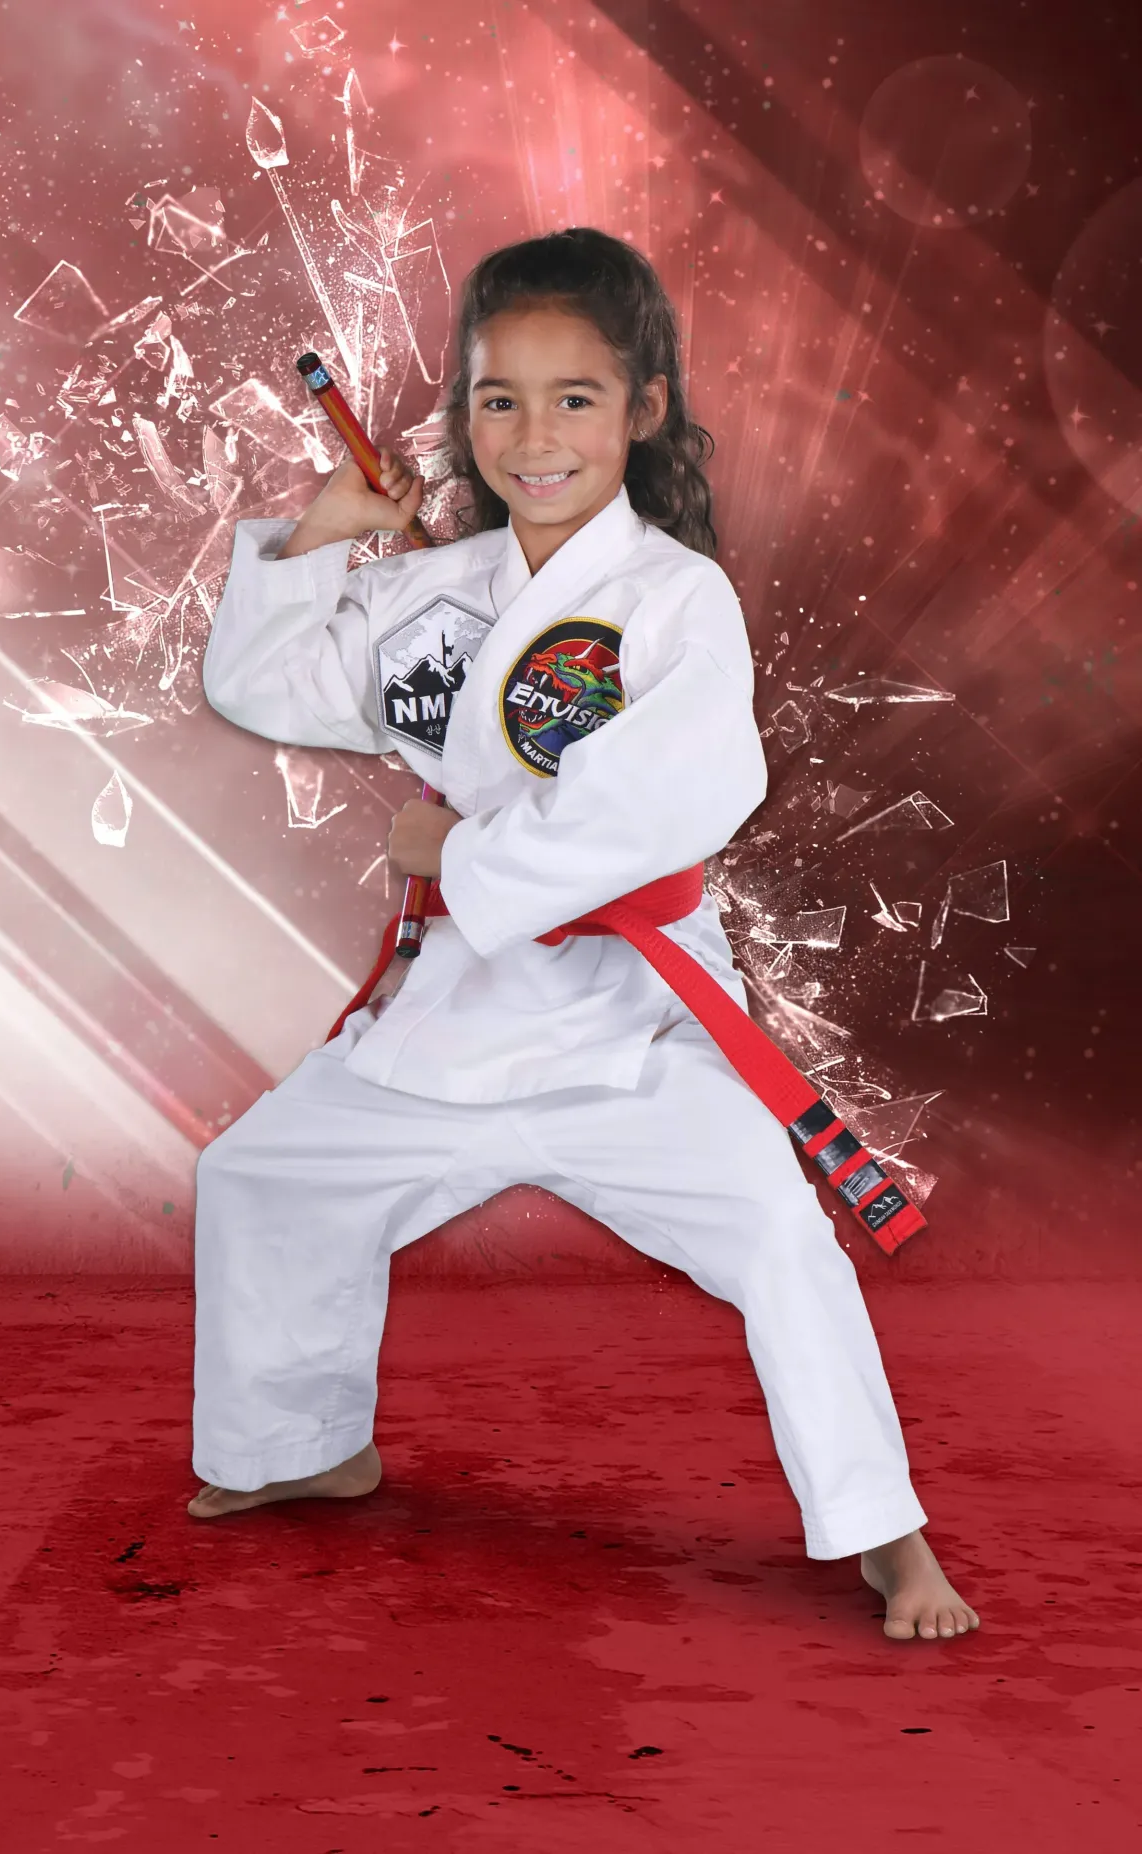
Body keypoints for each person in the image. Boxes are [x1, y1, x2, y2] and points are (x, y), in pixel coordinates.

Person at [189, 227, 979, 1644]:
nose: (534, 435)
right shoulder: (440, 588)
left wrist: (461, 850)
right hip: (454, 1020)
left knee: (778, 1242)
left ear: (644, 408)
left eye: (574, 398)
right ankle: (302, 1444)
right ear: (461, 415)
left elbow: (681, 793)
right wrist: (316, 541)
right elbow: (272, 688)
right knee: (258, 1176)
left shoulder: (677, 601)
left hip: (635, 1031)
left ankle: (887, 1537)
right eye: (500, 399)